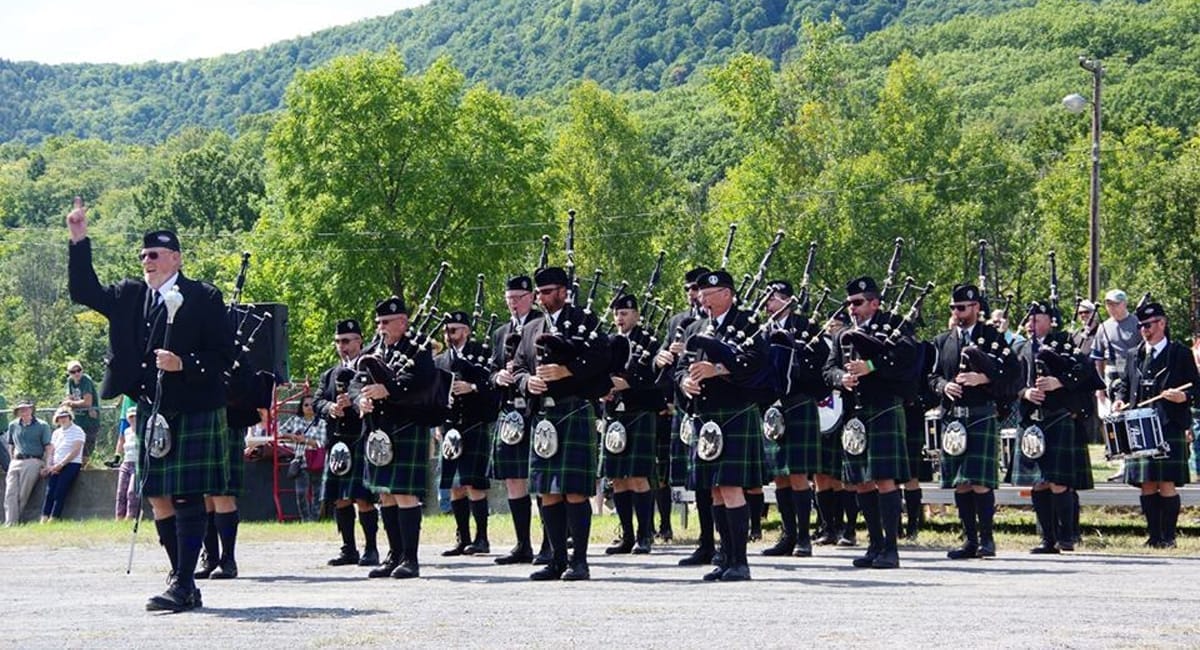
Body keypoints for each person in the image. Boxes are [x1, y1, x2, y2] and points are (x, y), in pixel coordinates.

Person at [67, 197, 234, 612]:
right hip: (150, 407)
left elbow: (223, 356)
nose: (147, 260)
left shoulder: (204, 297)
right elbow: (83, 290)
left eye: (155, 254)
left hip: (194, 406)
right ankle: (183, 579)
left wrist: (183, 364)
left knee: (186, 495)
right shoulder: (129, 294)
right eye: (143, 255)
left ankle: (183, 581)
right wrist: (78, 238)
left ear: (175, 258)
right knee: (158, 495)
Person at [512, 266, 611, 581]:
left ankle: (579, 562)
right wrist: (527, 382)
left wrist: (569, 372)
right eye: (538, 293)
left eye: (546, 292)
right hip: (544, 415)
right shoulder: (531, 328)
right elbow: (516, 368)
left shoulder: (585, 321)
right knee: (547, 492)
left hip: (574, 410)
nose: (540, 298)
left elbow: (603, 359)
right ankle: (556, 559)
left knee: (574, 492)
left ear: (564, 291)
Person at [674, 270, 772, 582]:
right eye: (701, 293)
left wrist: (718, 368)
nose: (703, 298)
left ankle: (741, 562)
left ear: (727, 294)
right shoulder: (695, 327)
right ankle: (724, 557)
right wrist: (685, 381)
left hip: (734, 411)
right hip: (705, 415)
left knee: (730, 487)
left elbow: (757, 362)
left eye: (710, 293)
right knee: (715, 489)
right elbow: (679, 368)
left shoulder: (746, 324)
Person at [823, 276, 917, 569]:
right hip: (855, 415)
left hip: (884, 408)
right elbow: (828, 369)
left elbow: (907, 358)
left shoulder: (895, 326)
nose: (852, 308)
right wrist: (843, 378)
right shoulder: (843, 335)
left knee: (884, 479)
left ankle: (891, 548)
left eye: (858, 303)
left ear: (875, 302)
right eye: (849, 303)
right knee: (861, 481)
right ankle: (874, 544)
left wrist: (871, 367)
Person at [928, 284, 1018, 559]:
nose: (957, 312)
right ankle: (968, 540)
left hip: (980, 413)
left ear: (976, 308)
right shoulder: (942, 341)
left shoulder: (992, 337)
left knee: (980, 481)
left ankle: (987, 540)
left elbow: (1013, 372)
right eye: (953, 308)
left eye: (962, 308)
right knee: (961, 482)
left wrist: (985, 378)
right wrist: (944, 386)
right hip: (953, 418)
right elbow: (931, 377)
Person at [355, 295, 436, 580]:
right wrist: (360, 402)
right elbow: (357, 382)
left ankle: (410, 559)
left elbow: (422, 382)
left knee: (404, 493)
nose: (381, 328)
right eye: (378, 323)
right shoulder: (374, 350)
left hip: (406, 426)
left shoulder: (419, 348)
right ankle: (393, 555)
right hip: (379, 428)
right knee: (385, 493)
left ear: (403, 321)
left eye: (386, 322)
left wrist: (389, 391)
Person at [1015, 301, 1101, 554]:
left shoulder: (1066, 343)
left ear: (1050, 321)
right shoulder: (1020, 348)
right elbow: (1008, 381)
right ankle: (1046, 539)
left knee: (1059, 482)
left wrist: (1059, 382)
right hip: (1032, 420)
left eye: (1037, 319)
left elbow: (1087, 373)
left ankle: (1067, 536)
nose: (1032, 324)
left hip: (1059, 418)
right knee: (1038, 483)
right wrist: (1025, 392)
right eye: (1029, 319)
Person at [1111, 302, 1199, 548]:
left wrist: (1184, 397)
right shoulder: (1134, 354)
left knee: (1167, 481)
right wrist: (1119, 401)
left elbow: (1196, 387)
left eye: (1148, 325)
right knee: (1147, 481)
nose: (1144, 330)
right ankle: (1154, 536)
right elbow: (1124, 385)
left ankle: (1168, 537)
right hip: (1140, 425)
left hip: (1168, 424)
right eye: (1141, 326)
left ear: (1162, 323)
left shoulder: (1179, 353)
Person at [759, 281, 830, 559]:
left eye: (773, 298)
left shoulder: (808, 328)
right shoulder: (761, 330)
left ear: (788, 301)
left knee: (798, 473)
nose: (767, 304)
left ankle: (803, 538)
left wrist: (797, 362)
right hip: (773, 406)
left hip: (799, 403)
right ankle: (787, 536)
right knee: (779, 476)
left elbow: (822, 367)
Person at [654, 266, 716, 566]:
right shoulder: (679, 322)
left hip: (715, 406)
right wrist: (663, 357)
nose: (692, 294)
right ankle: (706, 543)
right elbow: (664, 364)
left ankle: (726, 542)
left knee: (719, 480)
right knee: (699, 480)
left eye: (697, 288)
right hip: (686, 405)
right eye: (689, 289)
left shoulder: (716, 322)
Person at [601, 294, 666, 555]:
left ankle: (644, 535)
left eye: (625, 313)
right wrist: (601, 389)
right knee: (617, 478)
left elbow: (656, 376)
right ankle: (626, 535)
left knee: (639, 477)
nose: (620, 318)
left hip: (639, 411)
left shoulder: (649, 341)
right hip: (614, 414)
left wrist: (630, 384)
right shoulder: (606, 341)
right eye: (617, 313)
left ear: (636, 315)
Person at [313, 318, 380, 567]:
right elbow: (317, 401)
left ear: (359, 341)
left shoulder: (369, 369)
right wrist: (332, 407)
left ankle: (371, 548)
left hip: (361, 438)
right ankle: (348, 548)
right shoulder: (329, 375)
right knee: (340, 497)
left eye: (347, 341)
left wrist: (351, 405)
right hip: (337, 442)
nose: (343, 346)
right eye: (339, 342)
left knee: (362, 497)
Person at [489, 275, 544, 565]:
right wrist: (498, 376)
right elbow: (491, 367)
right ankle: (523, 543)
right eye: (509, 298)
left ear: (531, 297)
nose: (513, 304)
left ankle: (550, 542)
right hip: (509, 411)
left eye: (518, 298)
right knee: (513, 479)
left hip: (535, 409)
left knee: (543, 478)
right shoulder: (500, 333)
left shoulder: (542, 324)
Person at [436, 310, 500, 557]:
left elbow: (493, 387)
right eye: (446, 331)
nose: (448, 335)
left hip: (474, 423)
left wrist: (472, 387)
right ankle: (462, 538)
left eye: (453, 330)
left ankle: (482, 538)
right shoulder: (440, 361)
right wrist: (437, 425)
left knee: (474, 483)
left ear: (466, 330)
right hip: (449, 427)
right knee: (455, 486)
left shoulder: (482, 354)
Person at [1091, 289, 1140, 480]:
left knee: (1130, 418)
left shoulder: (1136, 323)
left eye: (1115, 304)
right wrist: (1099, 386)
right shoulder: (1104, 327)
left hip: (1132, 374)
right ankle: (1121, 462)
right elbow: (1098, 359)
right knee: (1111, 420)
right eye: (1108, 304)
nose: (1111, 308)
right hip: (1111, 376)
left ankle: (1133, 462)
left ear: (1124, 304)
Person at [4, 399, 52, 526]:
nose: (24, 411)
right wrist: (11, 460)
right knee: (10, 493)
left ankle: (16, 521)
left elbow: (48, 447)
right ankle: (10, 523)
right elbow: (11, 445)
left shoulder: (42, 425)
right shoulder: (13, 425)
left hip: (33, 460)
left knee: (23, 493)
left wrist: (47, 465)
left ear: (32, 409)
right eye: (21, 409)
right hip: (16, 461)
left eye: (26, 408)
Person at [279, 395, 327, 522]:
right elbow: (279, 432)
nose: (309, 407)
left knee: (318, 492)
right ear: (301, 407)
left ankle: (315, 518)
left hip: (317, 460)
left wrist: (305, 440)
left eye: (312, 405)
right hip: (301, 460)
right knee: (301, 493)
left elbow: (322, 443)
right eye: (306, 405)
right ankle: (306, 519)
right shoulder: (295, 420)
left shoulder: (322, 423)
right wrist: (291, 436)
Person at [40, 407, 86, 522]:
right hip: (56, 464)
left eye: (65, 417)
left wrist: (61, 464)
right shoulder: (56, 432)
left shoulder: (78, 430)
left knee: (60, 491)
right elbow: (51, 450)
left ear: (70, 417)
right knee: (50, 492)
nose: (63, 419)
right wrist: (49, 465)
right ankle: (44, 517)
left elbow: (75, 450)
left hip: (71, 464)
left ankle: (54, 518)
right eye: (60, 417)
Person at [62, 360, 101, 464]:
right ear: (69, 373)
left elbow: (87, 402)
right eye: (73, 371)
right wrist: (69, 402)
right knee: (74, 450)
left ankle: (85, 469)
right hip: (76, 422)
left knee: (86, 452)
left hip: (89, 421)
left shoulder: (86, 380)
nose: (76, 373)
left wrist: (71, 403)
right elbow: (67, 399)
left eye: (78, 370)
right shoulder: (70, 381)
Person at [114, 407, 141, 520]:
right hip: (126, 463)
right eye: (131, 417)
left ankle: (131, 516)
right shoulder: (126, 431)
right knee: (121, 492)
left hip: (137, 464)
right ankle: (119, 516)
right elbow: (121, 445)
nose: (133, 419)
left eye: (135, 416)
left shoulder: (142, 431)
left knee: (131, 491)